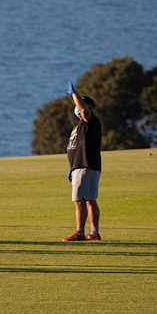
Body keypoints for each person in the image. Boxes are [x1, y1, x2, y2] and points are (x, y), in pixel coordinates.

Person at [63, 81, 103, 242]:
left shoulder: (90, 122)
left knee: (81, 201)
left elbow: (83, 109)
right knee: (86, 200)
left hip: (86, 166)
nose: (78, 108)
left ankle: (82, 232)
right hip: (79, 167)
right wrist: (72, 167)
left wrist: (74, 94)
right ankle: (92, 232)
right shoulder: (80, 126)